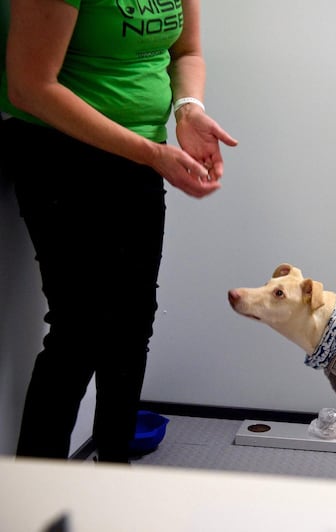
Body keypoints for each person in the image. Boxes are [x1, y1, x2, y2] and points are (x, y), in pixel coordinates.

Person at [0, 0, 238, 463]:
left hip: (141, 152)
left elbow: (186, 50)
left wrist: (188, 110)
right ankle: (34, 494)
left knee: (132, 323)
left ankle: (114, 467)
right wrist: (151, 155)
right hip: (59, 152)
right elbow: (31, 86)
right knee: (79, 330)